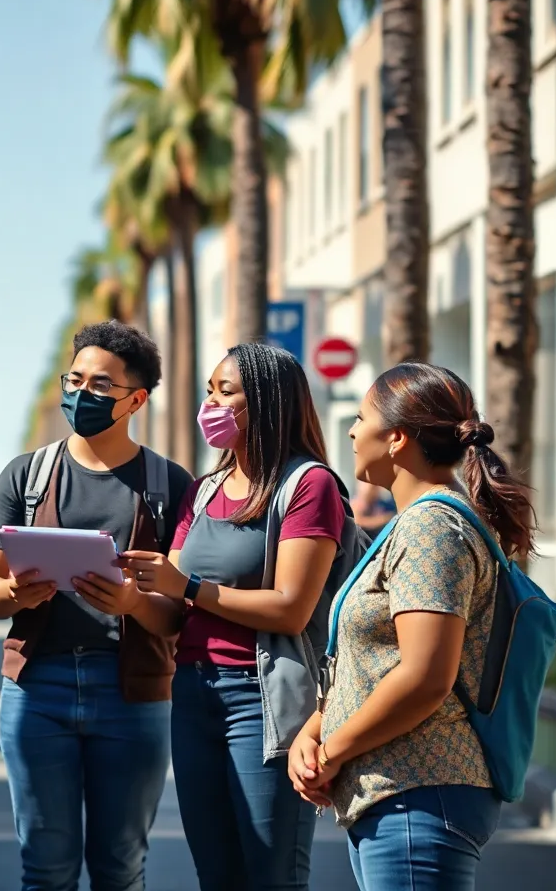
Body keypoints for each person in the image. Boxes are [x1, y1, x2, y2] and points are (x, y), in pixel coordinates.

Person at [289, 363, 530, 890]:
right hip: (399, 793)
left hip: (418, 791)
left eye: (360, 418)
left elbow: (423, 676)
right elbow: (374, 662)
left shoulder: (430, 530)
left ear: (396, 438)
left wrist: (330, 752)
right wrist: (313, 731)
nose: (351, 432)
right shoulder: (416, 523)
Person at [0, 320, 193, 891]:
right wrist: (18, 593)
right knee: (45, 868)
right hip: (36, 689)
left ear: (136, 399)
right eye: (74, 380)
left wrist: (133, 603)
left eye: (100, 386)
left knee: (120, 868)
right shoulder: (25, 476)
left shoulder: (169, 485)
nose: (80, 394)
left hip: (133, 695)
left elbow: (180, 618)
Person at [123, 343, 346, 891]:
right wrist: (128, 598)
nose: (211, 405)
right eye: (209, 391)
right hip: (195, 696)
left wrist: (191, 587)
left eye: (226, 393)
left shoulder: (308, 485)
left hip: (264, 699)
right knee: (217, 875)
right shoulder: (203, 493)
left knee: (271, 875)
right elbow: (175, 611)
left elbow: (292, 609)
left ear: (267, 403)